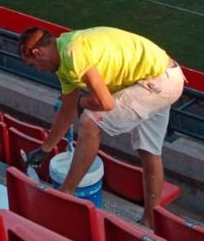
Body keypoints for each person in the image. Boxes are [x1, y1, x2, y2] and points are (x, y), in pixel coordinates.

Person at [19, 26, 184, 227]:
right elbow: (67, 112)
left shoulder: (73, 51)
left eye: (34, 64)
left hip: (158, 81)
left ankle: (65, 193)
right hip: (163, 74)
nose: (39, 69)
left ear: (38, 52)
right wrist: (44, 150)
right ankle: (150, 223)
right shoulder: (64, 63)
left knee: (90, 121)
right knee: (149, 151)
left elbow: (106, 103)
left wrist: (82, 103)